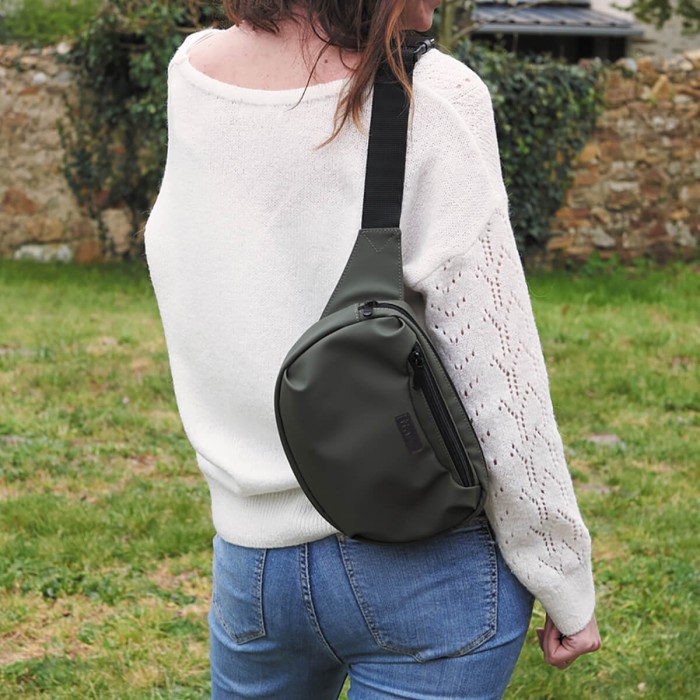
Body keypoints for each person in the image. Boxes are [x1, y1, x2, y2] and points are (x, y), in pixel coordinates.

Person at [144, 1, 601, 697]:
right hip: (428, 566)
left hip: (252, 566)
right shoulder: (434, 95)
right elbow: (499, 373)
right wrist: (561, 573)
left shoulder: (197, 75)